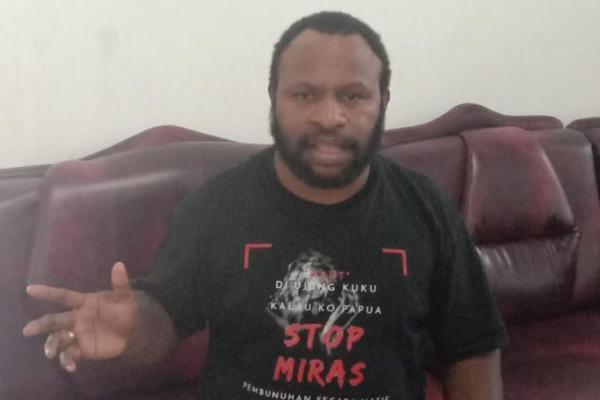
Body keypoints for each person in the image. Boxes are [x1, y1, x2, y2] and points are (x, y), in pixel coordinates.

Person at [23, 11, 507, 400]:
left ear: (383, 100)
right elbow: (164, 320)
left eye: (353, 95)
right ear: (274, 97)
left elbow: (472, 346)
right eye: (304, 94)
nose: (329, 117)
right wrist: (132, 328)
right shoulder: (217, 205)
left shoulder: (426, 208)